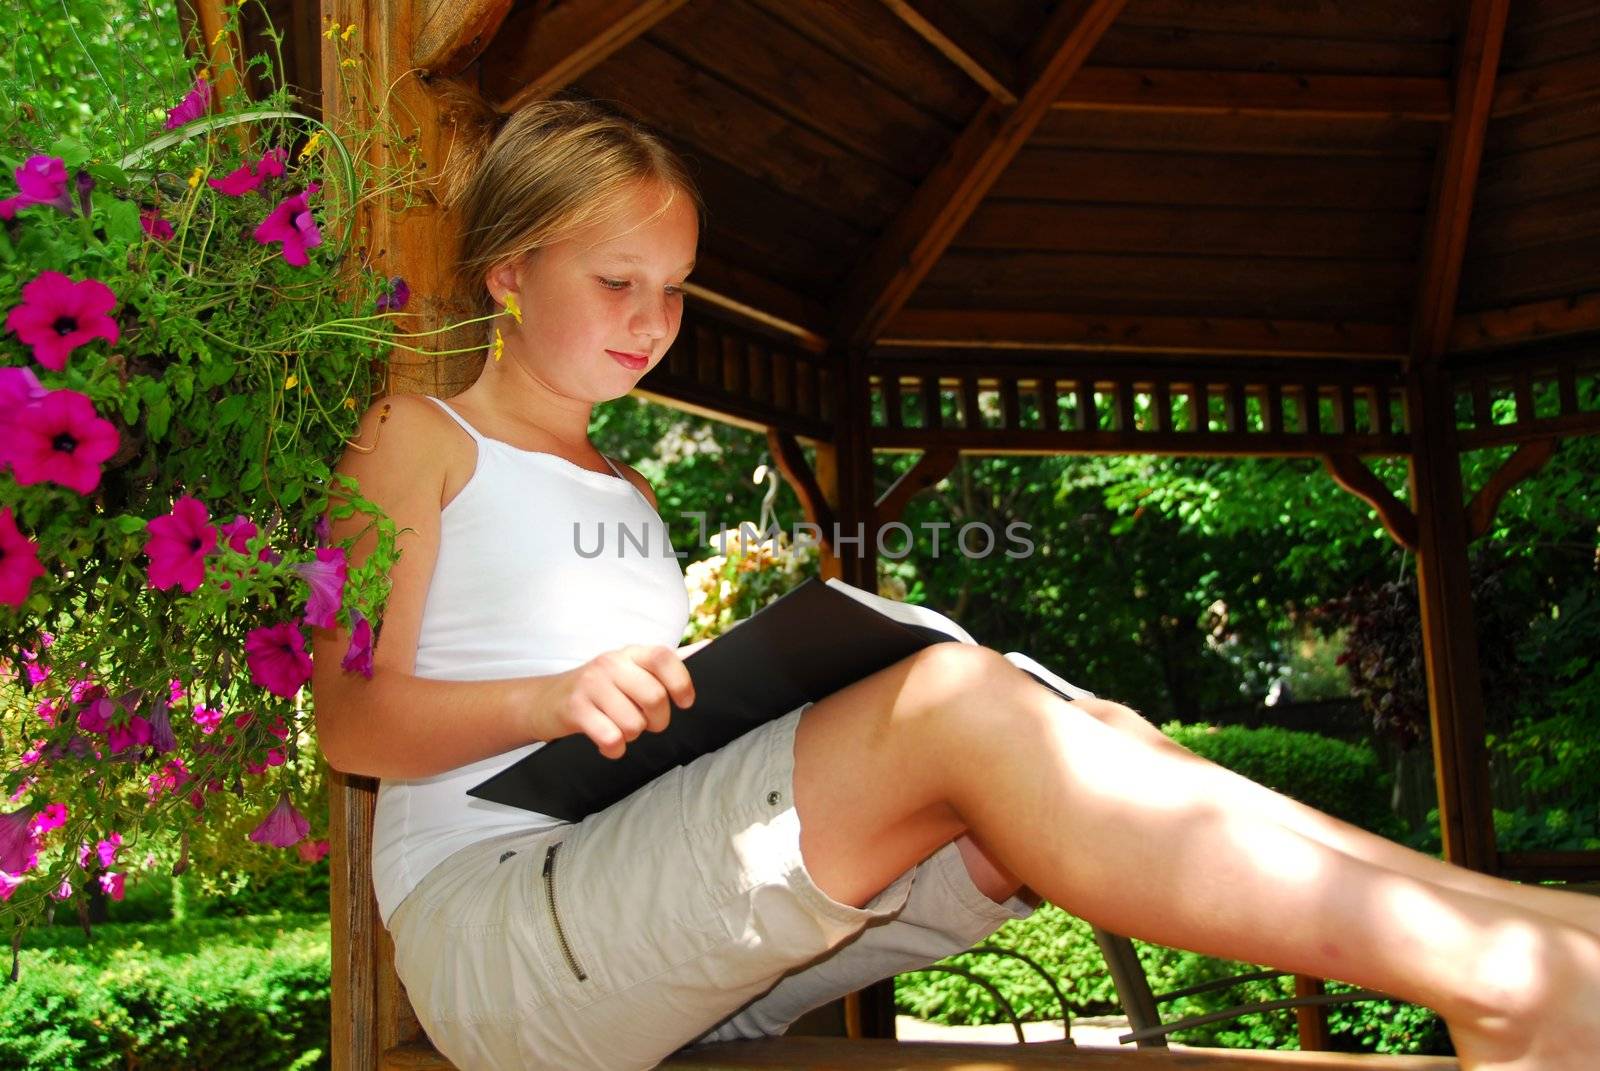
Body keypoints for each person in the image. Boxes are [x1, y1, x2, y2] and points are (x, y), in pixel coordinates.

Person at [310, 97, 1600, 1071]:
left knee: (1087, 732)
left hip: (676, 942)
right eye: (617, 282)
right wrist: (555, 697)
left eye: (675, 291)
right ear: (507, 270)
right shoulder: (416, 440)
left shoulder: (632, 497)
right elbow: (349, 722)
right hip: (502, 942)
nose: (653, 320)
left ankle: (1540, 938)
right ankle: (1489, 972)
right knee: (954, 703)